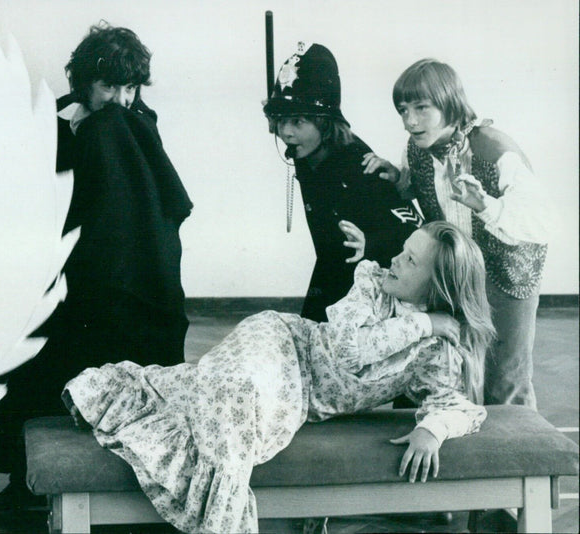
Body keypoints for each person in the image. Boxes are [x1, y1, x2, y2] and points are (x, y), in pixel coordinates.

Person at [63, 221, 495, 533]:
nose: (395, 260)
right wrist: (424, 324)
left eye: (411, 260)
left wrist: (432, 431)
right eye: (403, 249)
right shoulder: (371, 283)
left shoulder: (438, 352)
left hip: (298, 399)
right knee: (236, 391)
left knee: (207, 396)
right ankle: (224, 524)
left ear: (439, 286)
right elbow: (346, 349)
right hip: (283, 342)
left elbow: (457, 404)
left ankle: (128, 393)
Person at [0, 23, 194, 524]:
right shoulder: (52, 120)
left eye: (131, 87)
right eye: (110, 86)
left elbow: (156, 210)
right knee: (27, 365)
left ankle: (127, 481)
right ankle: (27, 480)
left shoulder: (135, 124)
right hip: (62, 276)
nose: (122, 98)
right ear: (86, 81)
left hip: (122, 279)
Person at [362, 59, 550, 410]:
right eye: (403, 109)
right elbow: (419, 186)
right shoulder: (416, 149)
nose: (410, 121)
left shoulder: (497, 149)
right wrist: (397, 180)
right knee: (444, 367)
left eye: (421, 108)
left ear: (450, 104)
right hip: (455, 275)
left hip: (508, 275)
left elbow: (540, 224)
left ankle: (515, 459)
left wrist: (485, 206)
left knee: (504, 380)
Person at [263, 42, 422, 322]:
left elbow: (413, 228)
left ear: (325, 123)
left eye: (297, 121)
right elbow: (287, 124)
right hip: (329, 270)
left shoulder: (360, 164)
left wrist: (370, 243)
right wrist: (277, 113)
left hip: (371, 288)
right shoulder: (305, 146)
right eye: (280, 121)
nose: (286, 132)